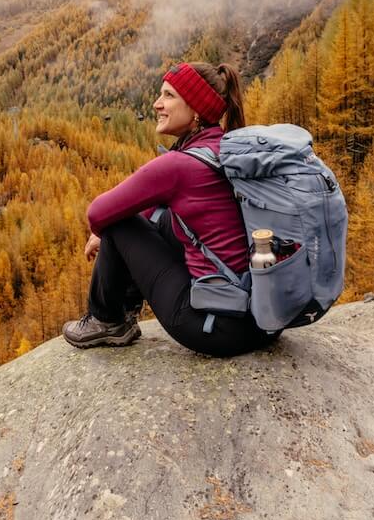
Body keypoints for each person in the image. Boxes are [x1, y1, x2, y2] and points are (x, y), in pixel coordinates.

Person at [62, 61, 279, 357]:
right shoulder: (225, 149)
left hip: (215, 328)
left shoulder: (178, 166)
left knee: (118, 222)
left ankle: (107, 319)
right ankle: (122, 313)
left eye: (168, 95)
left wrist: (103, 232)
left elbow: (98, 213)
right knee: (162, 219)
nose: (156, 104)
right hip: (261, 319)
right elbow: (157, 212)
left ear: (196, 111)